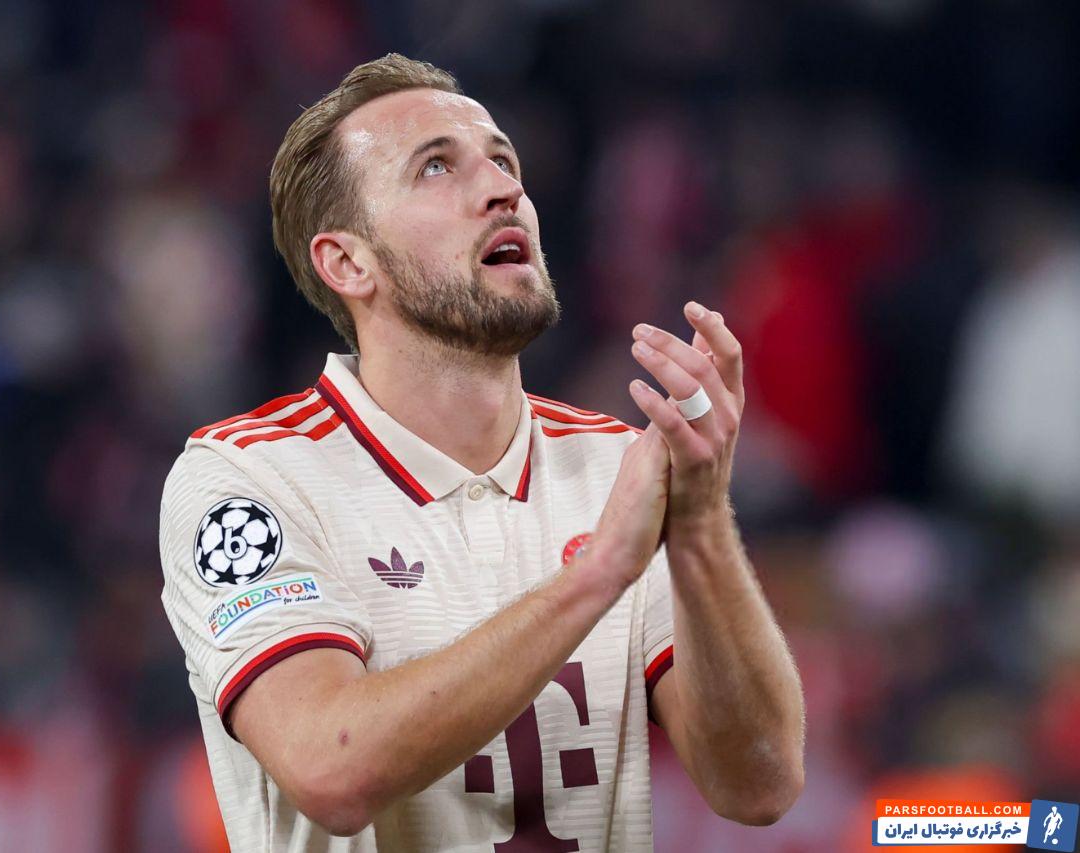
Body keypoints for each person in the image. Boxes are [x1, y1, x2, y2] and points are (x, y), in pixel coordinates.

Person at [158, 53, 805, 851]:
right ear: (348, 262)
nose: (503, 190)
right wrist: (596, 572)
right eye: (436, 167)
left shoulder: (616, 467)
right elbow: (329, 768)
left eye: (504, 162)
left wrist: (702, 522)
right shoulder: (249, 478)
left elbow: (760, 783)